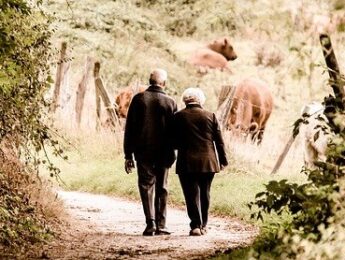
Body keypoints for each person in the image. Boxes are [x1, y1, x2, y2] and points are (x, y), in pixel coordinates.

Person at [123, 68, 177, 236]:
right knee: (162, 187)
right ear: (164, 83)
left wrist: (128, 155)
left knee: (146, 186)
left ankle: (150, 223)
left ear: (149, 80)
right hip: (164, 152)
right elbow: (175, 132)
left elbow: (129, 129)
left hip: (143, 151)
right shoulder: (170, 102)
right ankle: (161, 225)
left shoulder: (139, 99)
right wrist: (175, 150)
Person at [172, 87, 228, 236]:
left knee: (191, 194)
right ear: (200, 100)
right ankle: (204, 224)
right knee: (205, 192)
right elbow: (219, 142)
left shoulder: (178, 116)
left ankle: (195, 225)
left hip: (186, 162)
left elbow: (173, 141)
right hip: (208, 161)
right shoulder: (211, 116)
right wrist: (223, 161)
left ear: (185, 100)